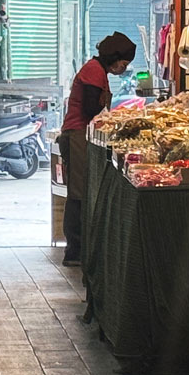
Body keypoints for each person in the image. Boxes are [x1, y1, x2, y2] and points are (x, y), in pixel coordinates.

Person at [58, 31, 136, 265]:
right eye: (123, 63)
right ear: (115, 57)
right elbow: (91, 109)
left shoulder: (99, 71)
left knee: (82, 192)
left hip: (84, 135)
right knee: (79, 193)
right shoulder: (93, 70)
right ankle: (75, 251)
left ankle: (82, 248)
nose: (123, 68)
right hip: (77, 135)